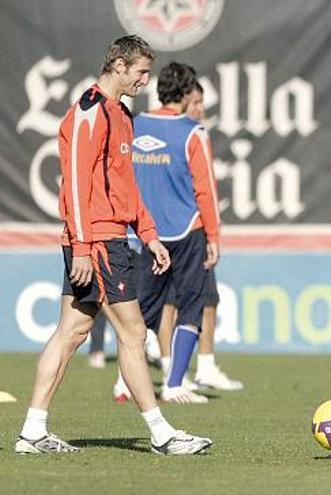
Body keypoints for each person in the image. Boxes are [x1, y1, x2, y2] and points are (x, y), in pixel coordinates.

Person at [14, 35, 212, 455]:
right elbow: (77, 183)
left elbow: (125, 185)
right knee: (134, 331)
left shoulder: (122, 114)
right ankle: (162, 434)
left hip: (109, 237)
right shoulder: (89, 111)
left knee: (72, 331)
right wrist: (83, 246)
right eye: (140, 71)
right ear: (118, 65)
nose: (145, 80)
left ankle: (32, 431)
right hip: (98, 240)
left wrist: (149, 234)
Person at [127, 62, 221, 404]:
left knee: (142, 311)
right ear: (185, 95)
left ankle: (125, 382)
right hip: (186, 231)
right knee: (191, 306)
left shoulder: (135, 125)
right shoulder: (193, 132)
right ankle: (175, 383)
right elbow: (205, 189)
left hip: (144, 235)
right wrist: (213, 236)